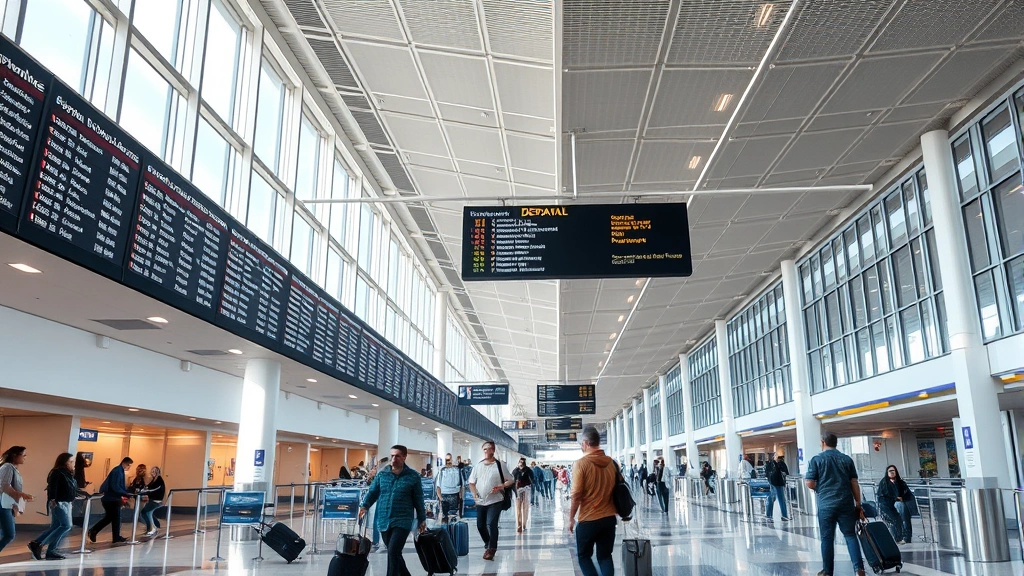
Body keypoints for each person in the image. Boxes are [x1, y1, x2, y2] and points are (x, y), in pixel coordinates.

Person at [358, 445, 426, 576]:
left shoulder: (413, 476)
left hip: (403, 520)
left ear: (404, 457)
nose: (394, 459)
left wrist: (422, 519)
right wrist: (364, 505)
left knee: (393, 551)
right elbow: (373, 492)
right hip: (384, 519)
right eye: (392, 456)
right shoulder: (382, 475)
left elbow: (418, 499)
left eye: (397, 456)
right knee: (394, 553)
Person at [805, 431, 866, 576]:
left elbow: (809, 482)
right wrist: (858, 503)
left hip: (826, 504)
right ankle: (859, 569)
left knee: (827, 538)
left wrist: (821, 489)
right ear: (836, 443)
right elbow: (854, 483)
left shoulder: (816, 460)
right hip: (845, 503)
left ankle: (827, 571)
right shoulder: (846, 459)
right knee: (850, 535)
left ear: (823, 442)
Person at [567, 427, 617, 576]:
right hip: (609, 518)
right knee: (605, 557)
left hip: (589, 519)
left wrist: (570, 518)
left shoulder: (581, 464)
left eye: (582, 443)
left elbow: (576, 494)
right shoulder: (611, 463)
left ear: (586, 443)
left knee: (584, 557)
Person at [468, 441, 514, 560]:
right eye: (485, 449)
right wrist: (474, 494)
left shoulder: (500, 465)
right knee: (480, 525)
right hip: (480, 501)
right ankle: (488, 543)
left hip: (496, 500)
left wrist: (501, 486)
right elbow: (472, 483)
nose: (487, 451)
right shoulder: (478, 466)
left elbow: (510, 480)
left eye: (489, 449)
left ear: (493, 450)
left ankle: (492, 548)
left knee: (491, 524)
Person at [29, 452, 77, 560]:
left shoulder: (68, 473)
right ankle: (40, 543)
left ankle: (49, 550)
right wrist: (53, 499)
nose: (73, 463)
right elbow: (52, 487)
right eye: (71, 461)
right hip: (59, 503)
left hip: (66, 502)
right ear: (64, 462)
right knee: (66, 525)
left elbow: (71, 487)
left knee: (56, 526)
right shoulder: (57, 472)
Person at [88, 457, 135, 544]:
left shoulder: (119, 471)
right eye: (129, 465)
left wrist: (126, 492)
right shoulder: (117, 471)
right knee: (115, 518)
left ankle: (96, 531)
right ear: (124, 463)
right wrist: (126, 493)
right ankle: (112, 536)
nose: (129, 467)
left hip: (111, 498)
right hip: (111, 499)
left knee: (111, 517)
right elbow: (115, 487)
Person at [0, 446, 34, 554]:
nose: (25, 457)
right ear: (15, 455)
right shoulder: (8, 467)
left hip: (6, 505)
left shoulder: (12, 468)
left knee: (8, 533)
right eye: (23, 455)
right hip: (3, 504)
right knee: (9, 534)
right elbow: (5, 486)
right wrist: (21, 495)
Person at [877, 465, 914, 544]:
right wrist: (895, 499)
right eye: (890, 471)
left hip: (901, 505)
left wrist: (902, 498)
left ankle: (906, 537)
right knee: (895, 520)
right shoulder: (884, 483)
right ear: (887, 472)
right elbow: (881, 497)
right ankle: (897, 538)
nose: (892, 472)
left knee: (904, 518)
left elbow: (908, 495)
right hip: (887, 506)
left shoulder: (901, 483)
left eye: (893, 470)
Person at [435, 453, 464, 522]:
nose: (448, 461)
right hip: (444, 495)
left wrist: (461, 497)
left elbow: (461, 485)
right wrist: (441, 498)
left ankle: (453, 530)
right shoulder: (442, 470)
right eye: (447, 459)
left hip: (455, 495)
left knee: (454, 517)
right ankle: (445, 530)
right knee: (444, 517)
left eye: (449, 459)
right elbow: (438, 486)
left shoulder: (457, 470)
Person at [140, 466, 166, 536]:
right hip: (153, 500)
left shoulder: (159, 480)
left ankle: (151, 528)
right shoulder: (154, 480)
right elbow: (149, 487)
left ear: (158, 472)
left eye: (155, 471)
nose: (153, 472)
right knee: (147, 513)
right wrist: (144, 489)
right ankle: (153, 527)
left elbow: (154, 489)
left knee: (145, 512)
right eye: (152, 471)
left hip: (156, 501)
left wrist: (146, 491)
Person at [764, 453, 790, 522]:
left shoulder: (768, 464)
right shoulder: (780, 463)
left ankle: (769, 515)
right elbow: (786, 472)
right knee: (781, 500)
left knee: (771, 498)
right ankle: (784, 515)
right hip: (778, 483)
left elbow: (766, 474)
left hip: (771, 483)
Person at [512, 457, 533, 532]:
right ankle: (519, 525)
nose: (521, 463)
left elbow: (532, 480)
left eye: (522, 462)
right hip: (518, 490)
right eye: (520, 462)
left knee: (525, 508)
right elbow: (513, 481)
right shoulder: (515, 471)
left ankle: (524, 524)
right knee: (518, 508)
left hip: (526, 489)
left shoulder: (528, 470)